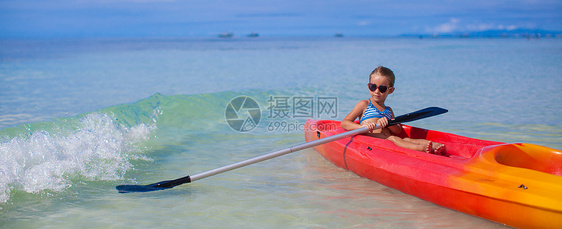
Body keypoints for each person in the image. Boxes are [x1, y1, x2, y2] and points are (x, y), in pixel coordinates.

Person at [341, 66, 446, 155]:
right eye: (373, 87)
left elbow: (398, 130)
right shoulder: (364, 104)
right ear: (368, 87)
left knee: (405, 140)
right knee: (395, 139)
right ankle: (422, 149)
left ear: (390, 90)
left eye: (382, 89)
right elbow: (345, 123)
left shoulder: (388, 110)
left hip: (389, 138)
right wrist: (361, 127)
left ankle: (434, 146)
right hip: (374, 142)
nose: (376, 91)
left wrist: (388, 123)